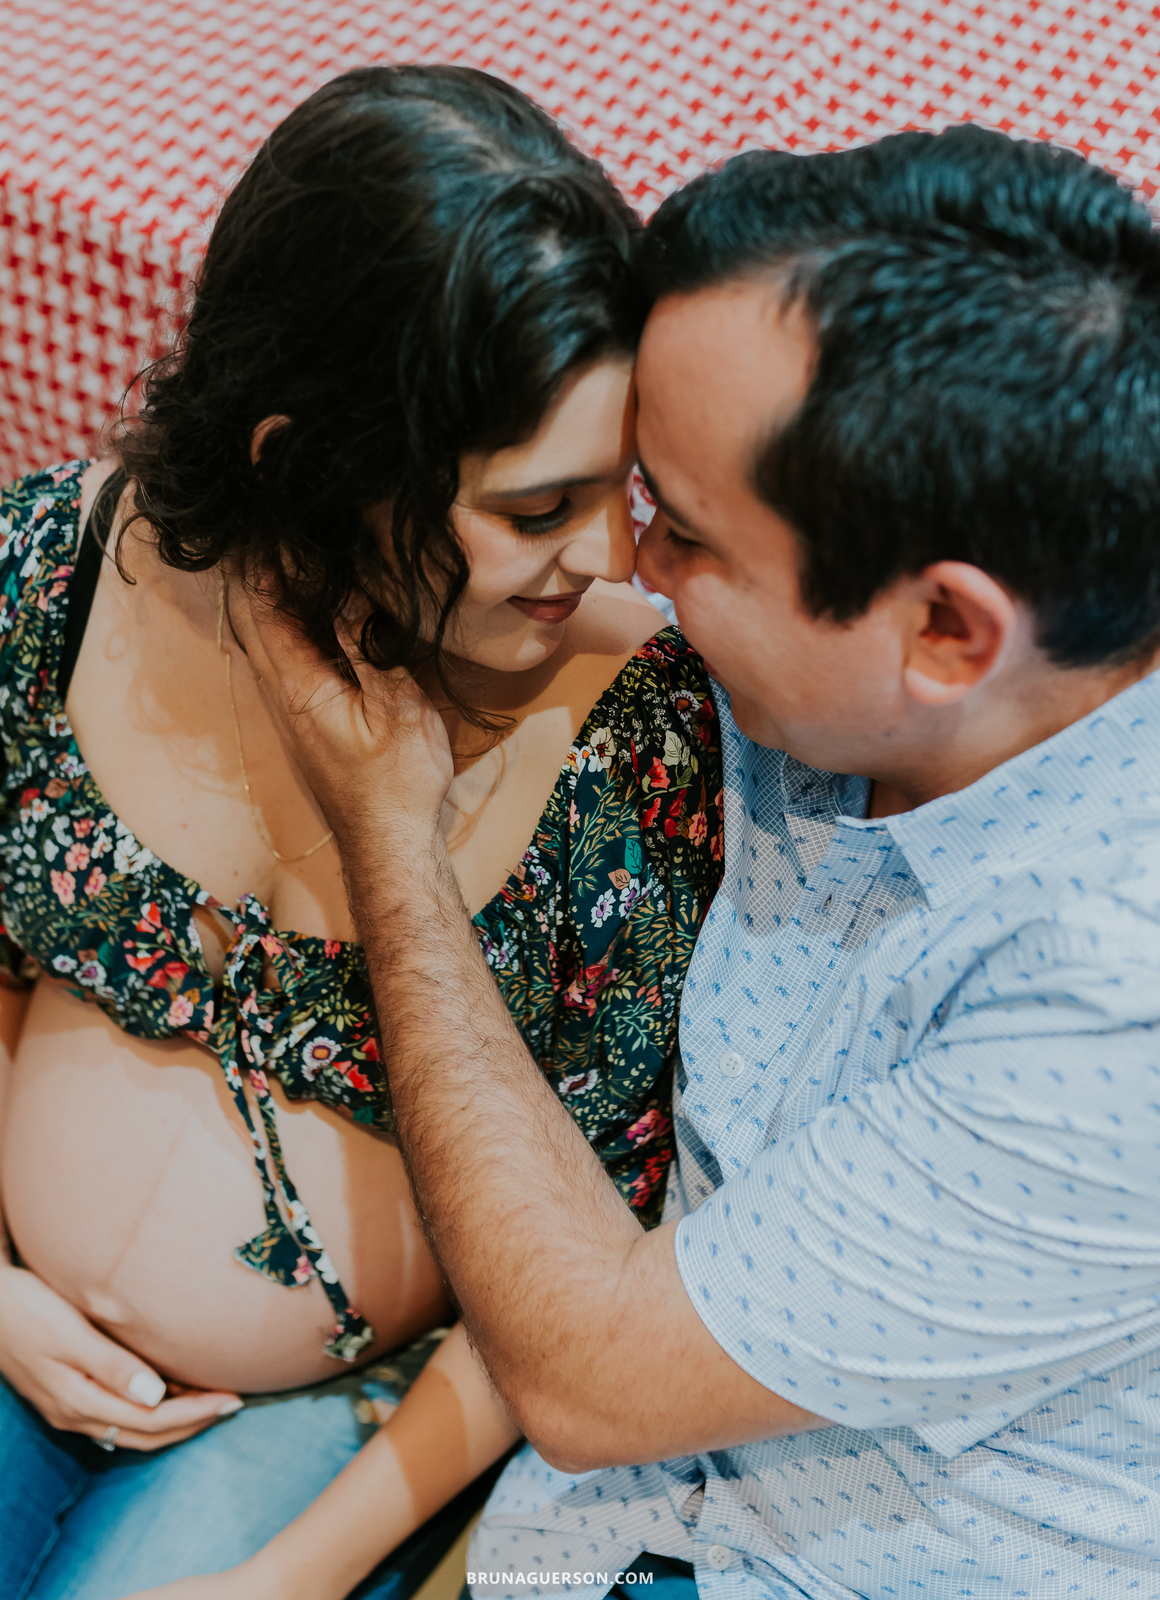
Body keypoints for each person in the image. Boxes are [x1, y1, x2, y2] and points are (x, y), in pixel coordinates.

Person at [240, 123, 1160, 1600]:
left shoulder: (1112, 1008)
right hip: (594, 1527)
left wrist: (386, 840)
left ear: (945, 631)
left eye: (687, 532)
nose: (631, 568)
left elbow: (592, 1374)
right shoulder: (868, 691)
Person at [0, 64, 724, 1600]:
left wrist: (296, 1576)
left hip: (343, 1422)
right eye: (535, 507)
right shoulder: (50, 578)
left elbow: (592, 1272)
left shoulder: (636, 738)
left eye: (622, 486)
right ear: (305, 463)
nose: (607, 552)